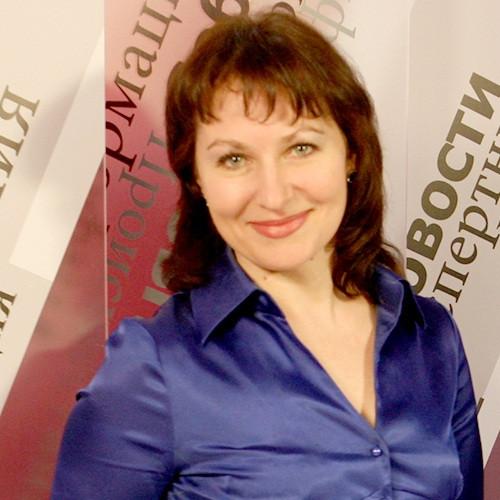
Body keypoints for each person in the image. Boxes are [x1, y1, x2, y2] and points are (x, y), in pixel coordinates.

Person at [52, 11, 483, 499]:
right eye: (234, 159)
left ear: (351, 152)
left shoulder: (431, 336)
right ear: (196, 179)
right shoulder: (153, 369)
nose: (274, 195)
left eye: (301, 148)